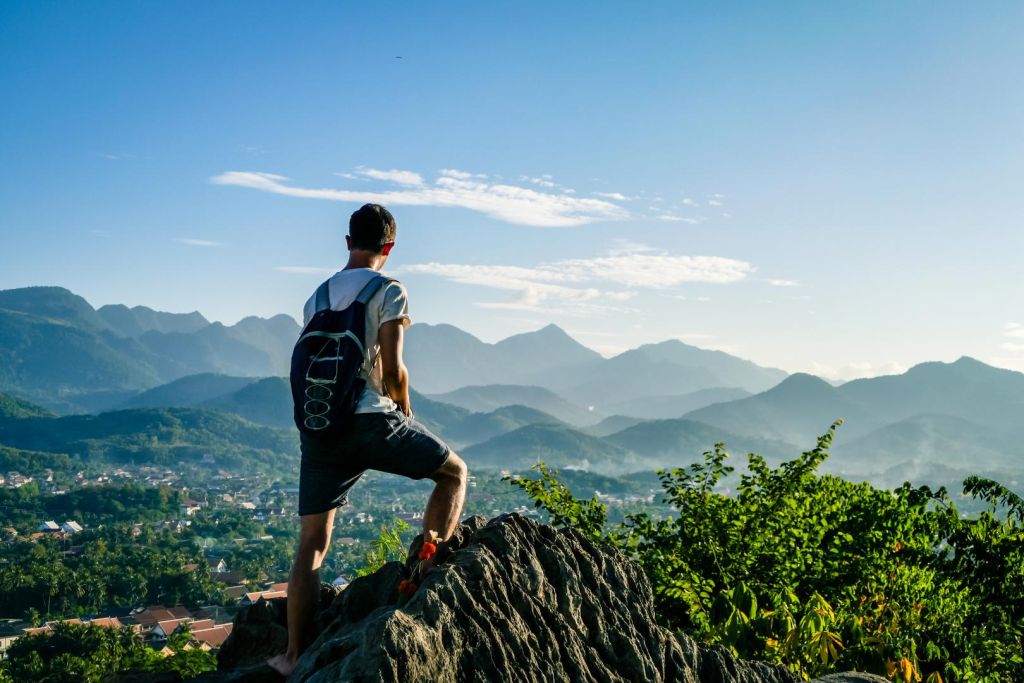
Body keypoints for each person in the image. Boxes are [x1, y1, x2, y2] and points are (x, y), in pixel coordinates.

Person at [268, 204, 468, 677]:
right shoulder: (389, 289)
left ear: (347, 242)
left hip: (320, 431)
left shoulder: (316, 297)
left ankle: (294, 656)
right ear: (390, 247)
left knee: (312, 544)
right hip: (369, 421)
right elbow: (393, 367)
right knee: (453, 473)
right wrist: (402, 405)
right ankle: (427, 562)